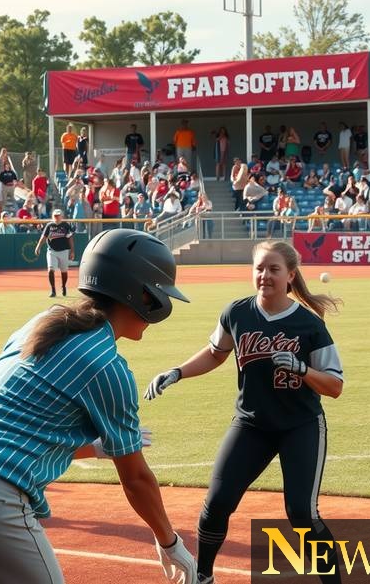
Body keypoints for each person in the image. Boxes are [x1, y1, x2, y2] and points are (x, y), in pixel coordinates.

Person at [0, 229, 195, 584]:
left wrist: (91, 448)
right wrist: (169, 542)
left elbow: (13, 423)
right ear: (142, 295)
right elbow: (136, 479)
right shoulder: (107, 364)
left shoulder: (41, 323)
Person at [145, 240, 344, 584]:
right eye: (259, 268)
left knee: (301, 513)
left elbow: (335, 386)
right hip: (252, 423)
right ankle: (202, 576)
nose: (265, 275)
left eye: (273, 269)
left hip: (300, 425)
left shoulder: (308, 325)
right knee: (217, 503)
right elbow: (215, 353)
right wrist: (176, 371)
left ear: (290, 275)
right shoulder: (236, 312)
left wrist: (302, 370)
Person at [35, 209, 75, 297]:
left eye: (58, 215)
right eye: (55, 216)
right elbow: (44, 237)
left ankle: (63, 286)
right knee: (50, 269)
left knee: (64, 271)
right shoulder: (49, 225)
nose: (56, 217)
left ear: (62, 216)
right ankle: (53, 290)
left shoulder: (66, 225)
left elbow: (70, 238)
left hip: (64, 250)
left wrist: (72, 251)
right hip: (52, 251)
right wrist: (38, 247)